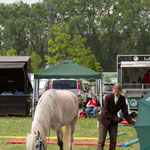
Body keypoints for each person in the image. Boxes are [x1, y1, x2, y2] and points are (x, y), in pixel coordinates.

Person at [97, 83, 135, 150]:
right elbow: (105, 112)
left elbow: (125, 112)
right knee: (101, 140)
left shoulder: (122, 99)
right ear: (113, 90)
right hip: (104, 120)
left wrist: (131, 122)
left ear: (121, 91)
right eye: (115, 91)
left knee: (113, 141)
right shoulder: (108, 97)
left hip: (113, 122)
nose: (116, 93)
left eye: (118, 92)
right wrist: (117, 118)